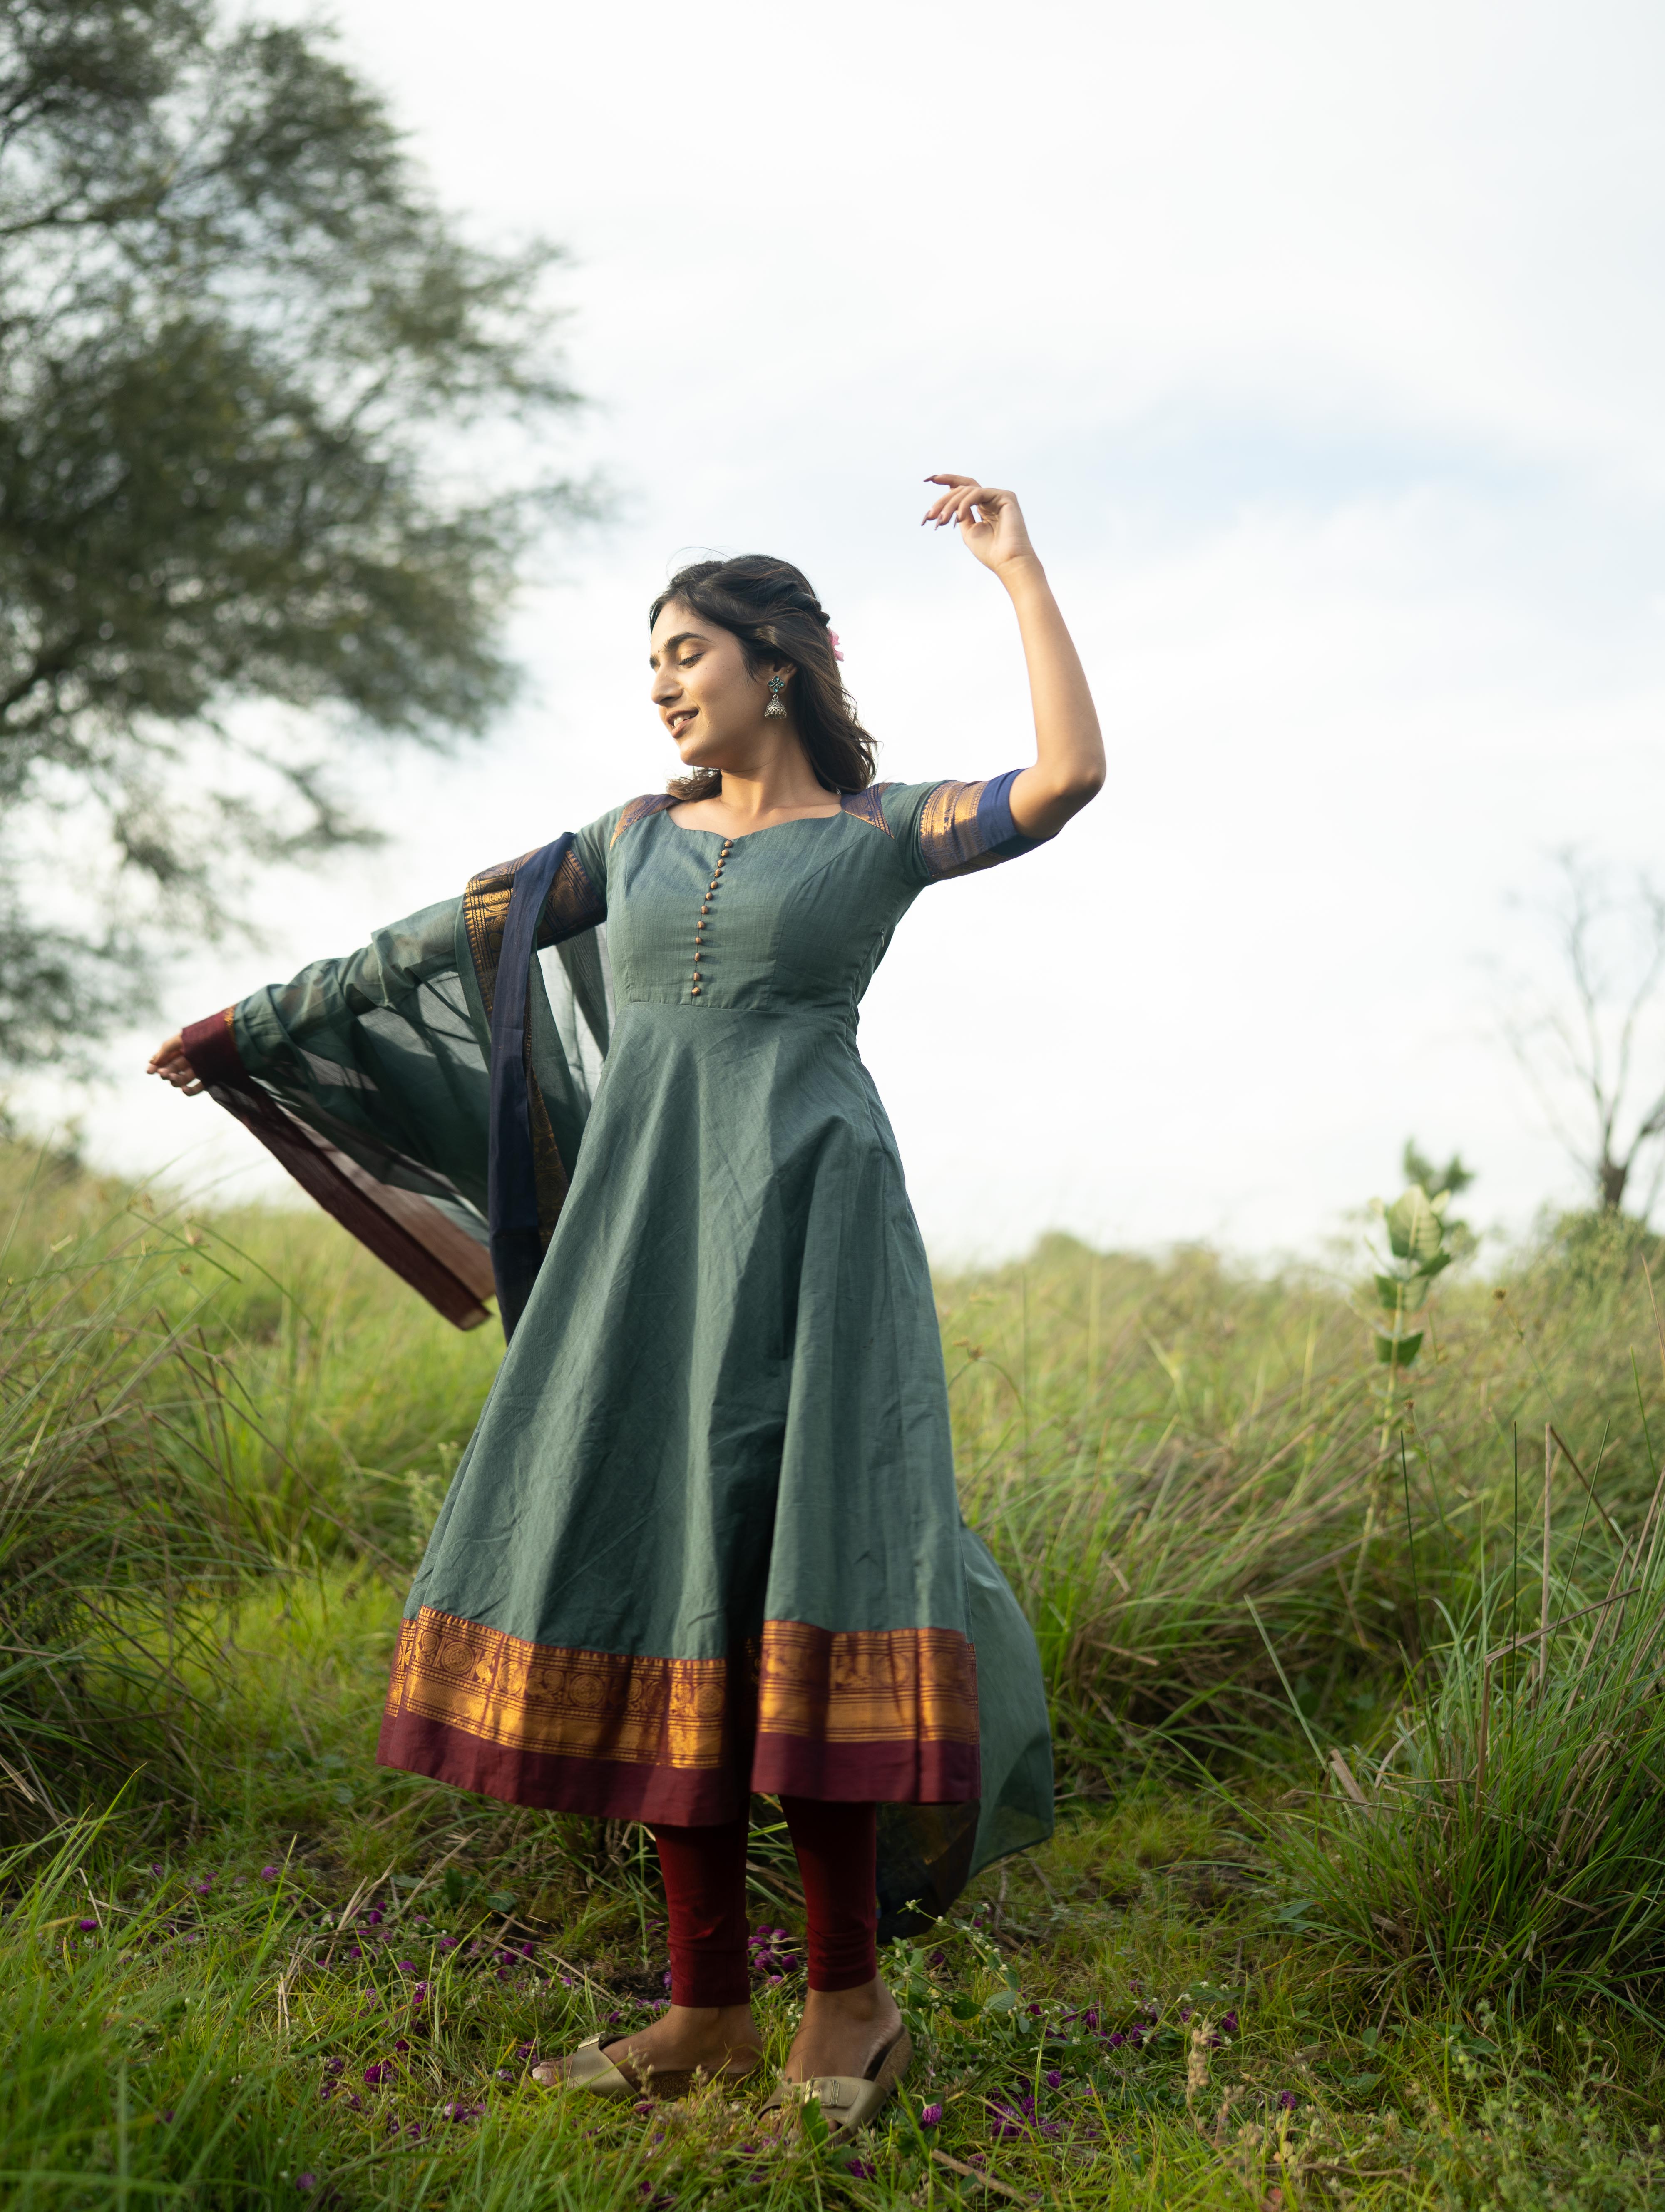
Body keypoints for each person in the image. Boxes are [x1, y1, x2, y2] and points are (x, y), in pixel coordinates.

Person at [149, 475, 1104, 2128]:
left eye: (687, 652)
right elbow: (431, 945)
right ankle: (706, 2010)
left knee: (803, 1581)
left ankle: (851, 2007)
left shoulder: (876, 840)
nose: (664, 684)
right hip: (642, 1251)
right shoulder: (624, 843)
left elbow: (1067, 779)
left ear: (780, 664)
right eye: (651, 661)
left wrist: (1018, 575)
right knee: (660, 1587)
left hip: (813, 1242)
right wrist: (254, 1023)